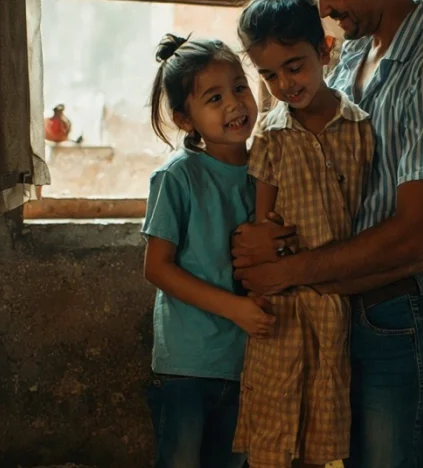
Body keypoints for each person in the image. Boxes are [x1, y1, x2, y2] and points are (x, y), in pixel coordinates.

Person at [230, 0, 423, 466]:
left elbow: (410, 236)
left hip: (403, 312)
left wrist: (285, 272)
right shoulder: (354, 56)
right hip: (341, 311)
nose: (325, 6)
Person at [141, 33, 276, 468]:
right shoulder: (179, 177)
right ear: (185, 119)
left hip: (245, 365)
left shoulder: (267, 171)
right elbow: (157, 269)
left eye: (240, 87)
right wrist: (234, 309)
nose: (235, 104)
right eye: (214, 98)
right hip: (188, 363)